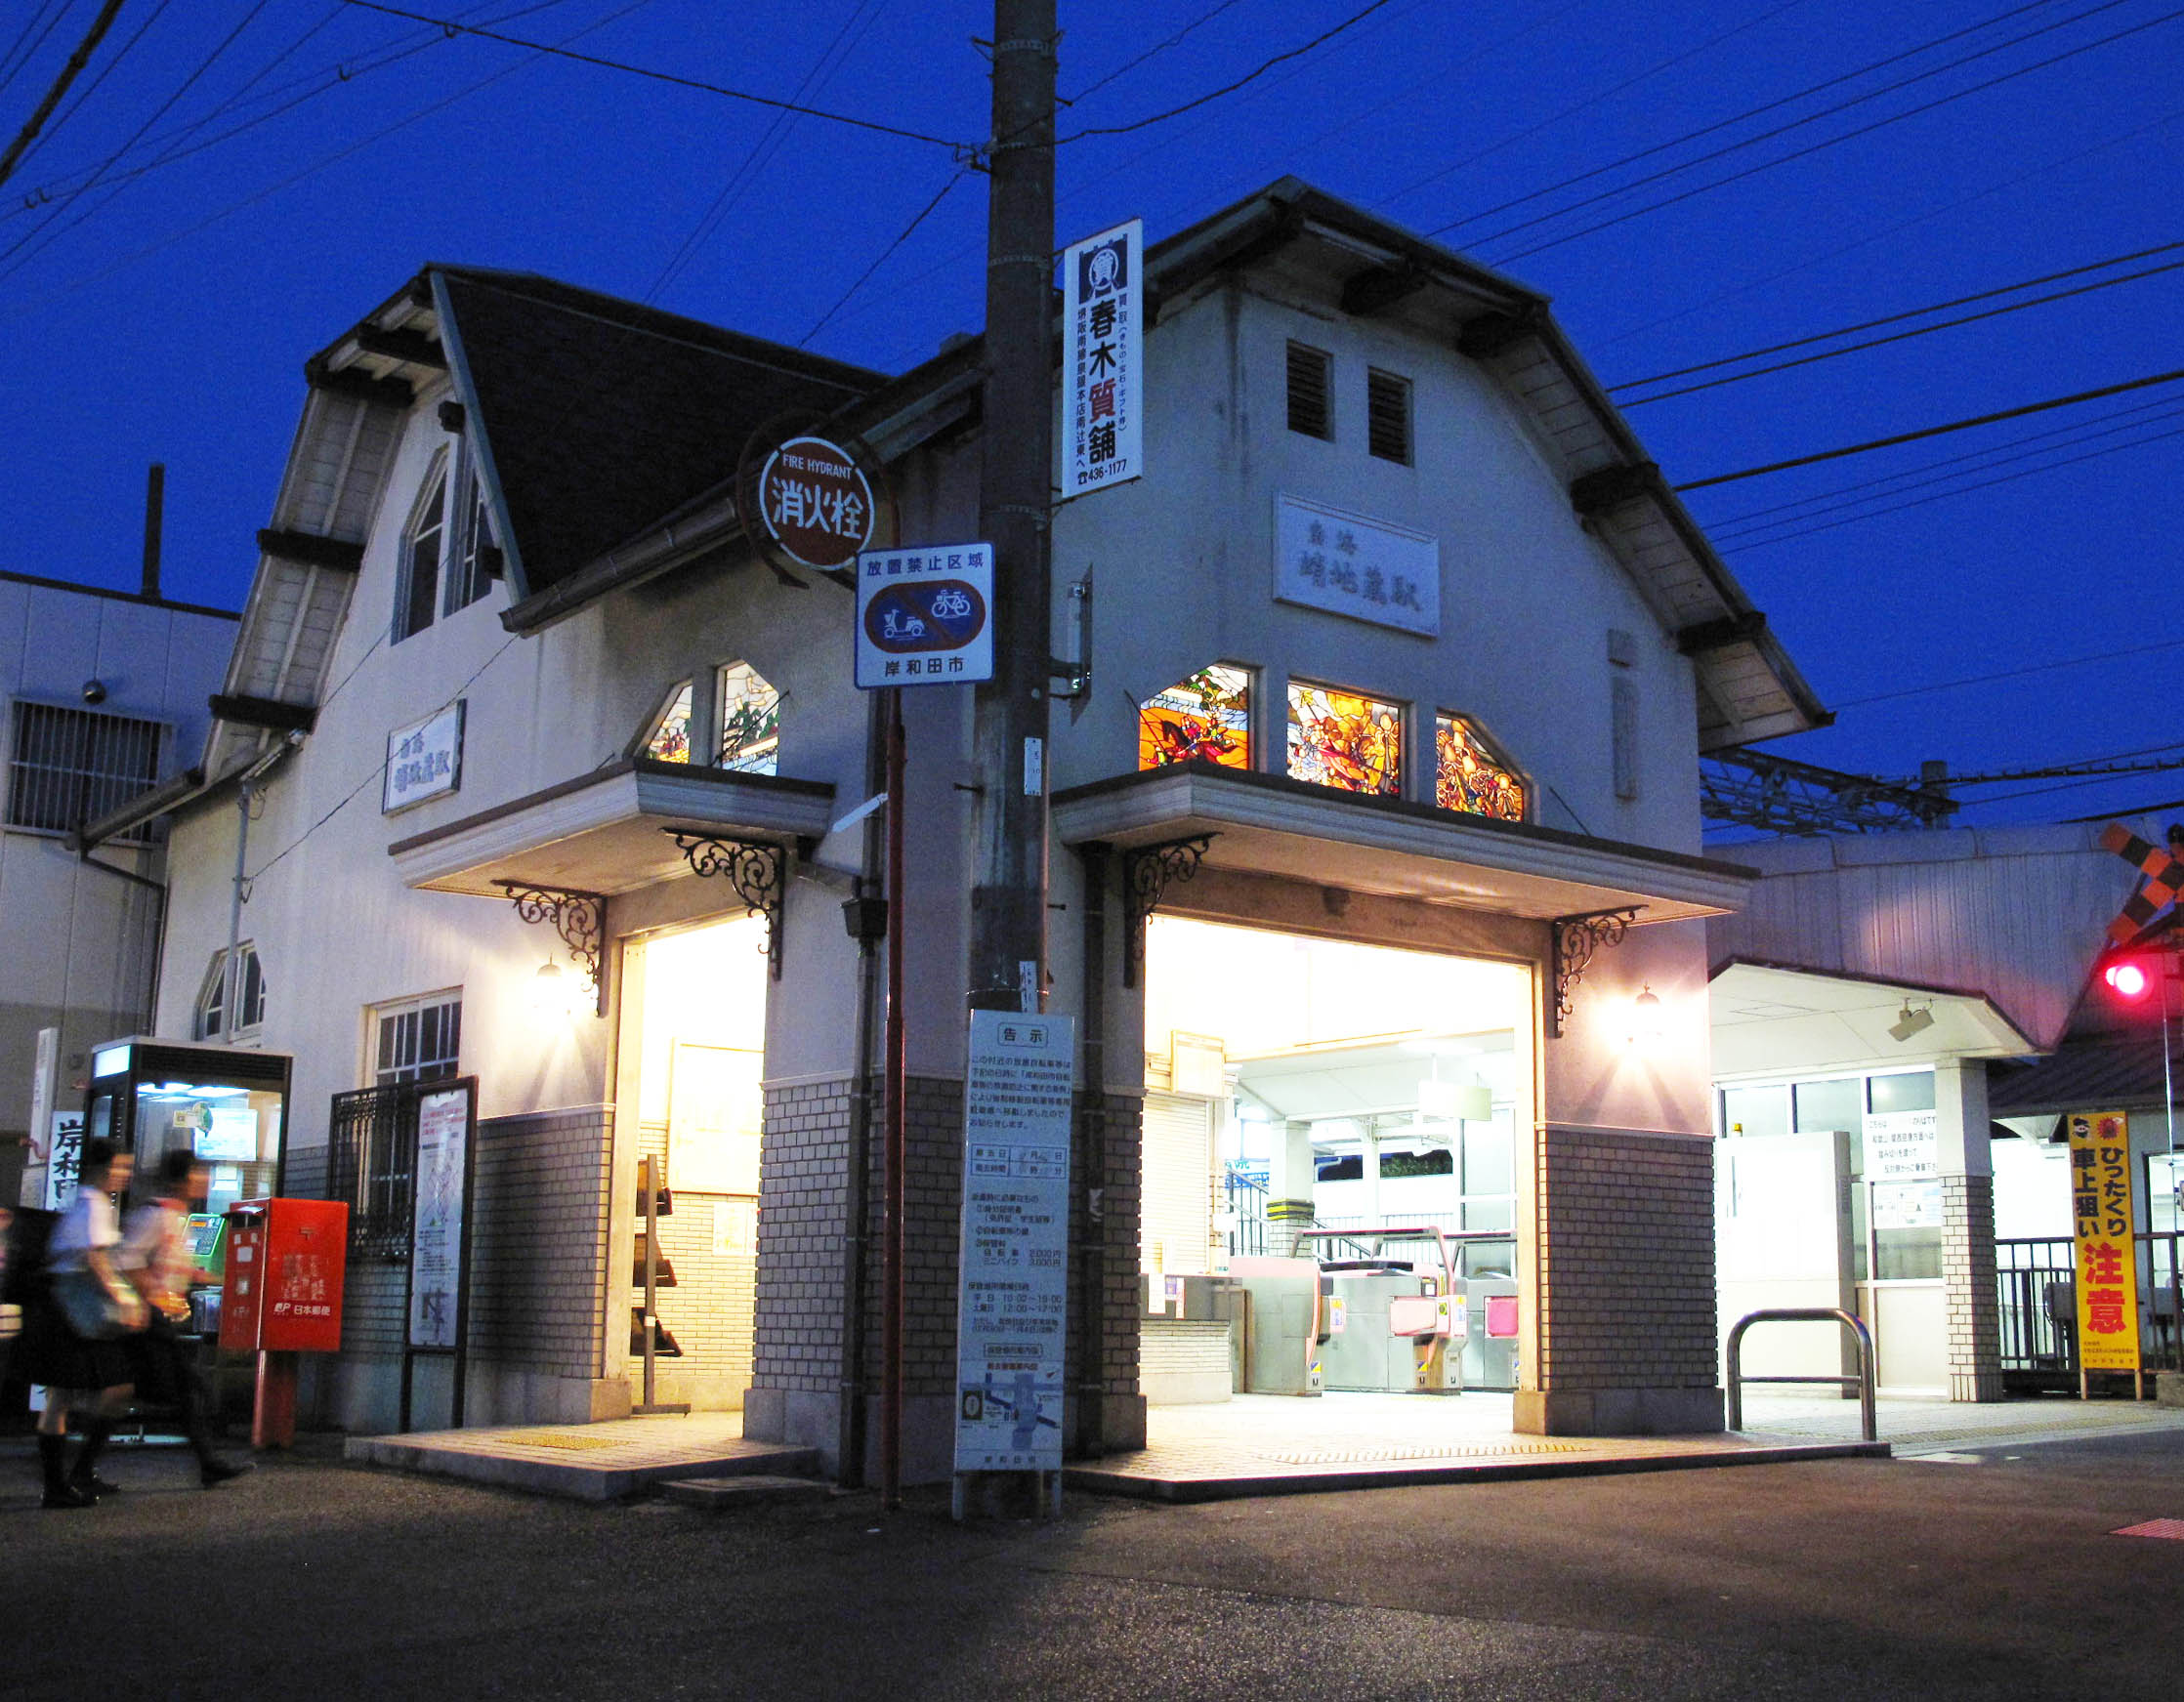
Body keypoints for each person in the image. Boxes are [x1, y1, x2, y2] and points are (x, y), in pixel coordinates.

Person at [118, 1150, 251, 1487]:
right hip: (150, 1318)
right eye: (198, 1173)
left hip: (161, 1318)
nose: (204, 1180)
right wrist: (151, 1297)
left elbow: (173, 1266)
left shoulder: (177, 1216)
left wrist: (215, 1278)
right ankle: (208, 1462)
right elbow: (129, 1260)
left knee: (175, 1391)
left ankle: (208, 1463)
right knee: (183, 1388)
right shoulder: (156, 1215)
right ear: (181, 1179)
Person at [30, 1138, 146, 1509]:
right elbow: (96, 1258)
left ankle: (65, 1480)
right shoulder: (95, 1203)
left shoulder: (85, 1201)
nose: (125, 1175)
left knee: (65, 1396)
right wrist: (125, 1299)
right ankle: (63, 1482)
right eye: (120, 1167)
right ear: (101, 1169)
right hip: (76, 1313)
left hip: (62, 1310)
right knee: (100, 1390)